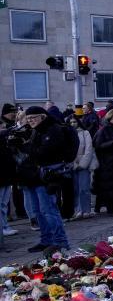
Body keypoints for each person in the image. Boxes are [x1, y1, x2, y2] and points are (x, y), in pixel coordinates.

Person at [18, 106, 73, 252]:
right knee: (37, 211)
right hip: (34, 176)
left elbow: (44, 153)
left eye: (33, 118)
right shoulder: (37, 130)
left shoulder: (53, 129)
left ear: (42, 116)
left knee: (49, 210)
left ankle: (60, 241)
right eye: (28, 119)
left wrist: (25, 146)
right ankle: (46, 240)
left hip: (48, 175)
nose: (30, 121)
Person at [68, 115, 97, 219]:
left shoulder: (85, 133)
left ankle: (86, 209)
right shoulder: (67, 134)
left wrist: (82, 164)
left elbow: (88, 149)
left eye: (74, 122)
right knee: (75, 189)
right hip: (71, 164)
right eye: (70, 122)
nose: (72, 124)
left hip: (83, 164)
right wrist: (73, 163)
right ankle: (78, 209)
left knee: (84, 188)